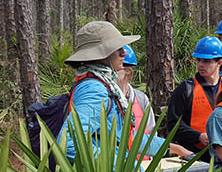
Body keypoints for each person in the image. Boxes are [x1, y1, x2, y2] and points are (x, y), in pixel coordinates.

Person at [59, 21, 189, 162]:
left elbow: (125, 137)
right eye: (117, 48)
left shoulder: (104, 85)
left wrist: (173, 149)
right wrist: (118, 166)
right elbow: (68, 143)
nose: (124, 52)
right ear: (101, 54)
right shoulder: (94, 90)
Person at [166, 37, 222, 157]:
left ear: (219, 63)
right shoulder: (186, 88)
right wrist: (198, 136)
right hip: (194, 156)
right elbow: (173, 125)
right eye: (198, 60)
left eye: (206, 61)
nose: (200, 65)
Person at [118, 45, 155, 135]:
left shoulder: (141, 99)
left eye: (115, 69)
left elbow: (152, 133)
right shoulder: (104, 96)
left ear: (128, 71)